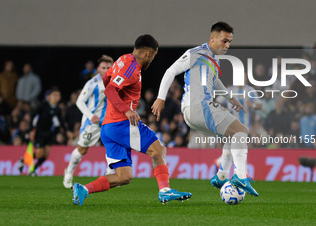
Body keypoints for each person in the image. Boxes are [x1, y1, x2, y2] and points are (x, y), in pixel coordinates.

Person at [72, 34, 192, 206]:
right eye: (154, 56)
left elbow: (106, 80)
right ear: (149, 53)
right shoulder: (131, 68)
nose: (153, 59)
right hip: (121, 124)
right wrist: (125, 109)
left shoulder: (123, 59)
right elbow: (111, 90)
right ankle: (165, 191)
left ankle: (84, 189)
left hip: (108, 127)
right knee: (159, 150)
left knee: (124, 176)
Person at [152, 22, 259, 196]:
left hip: (198, 110)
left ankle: (222, 176)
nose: (227, 46)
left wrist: (231, 99)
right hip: (199, 107)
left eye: (229, 42)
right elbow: (171, 71)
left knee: (232, 134)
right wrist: (160, 98)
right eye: (224, 41)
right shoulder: (196, 53)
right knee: (241, 132)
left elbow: (215, 82)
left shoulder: (212, 60)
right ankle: (239, 176)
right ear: (212, 38)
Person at [63, 55, 114, 188]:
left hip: (109, 120)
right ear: (98, 68)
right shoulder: (92, 84)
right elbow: (80, 101)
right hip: (92, 122)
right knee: (82, 149)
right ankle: (68, 172)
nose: (106, 70)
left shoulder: (116, 81)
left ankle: (110, 172)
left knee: (113, 144)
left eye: (109, 67)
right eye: (103, 67)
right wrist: (90, 116)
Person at [19, 89, 64, 176]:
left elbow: (60, 121)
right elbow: (33, 114)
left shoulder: (57, 109)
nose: (57, 97)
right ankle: (23, 160)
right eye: (55, 95)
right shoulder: (43, 105)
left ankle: (33, 170)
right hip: (39, 132)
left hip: (49, 133)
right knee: (39, 154)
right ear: (49, 97)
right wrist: (32, 129)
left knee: (45, 155)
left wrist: (65, 131)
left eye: (58, 96)